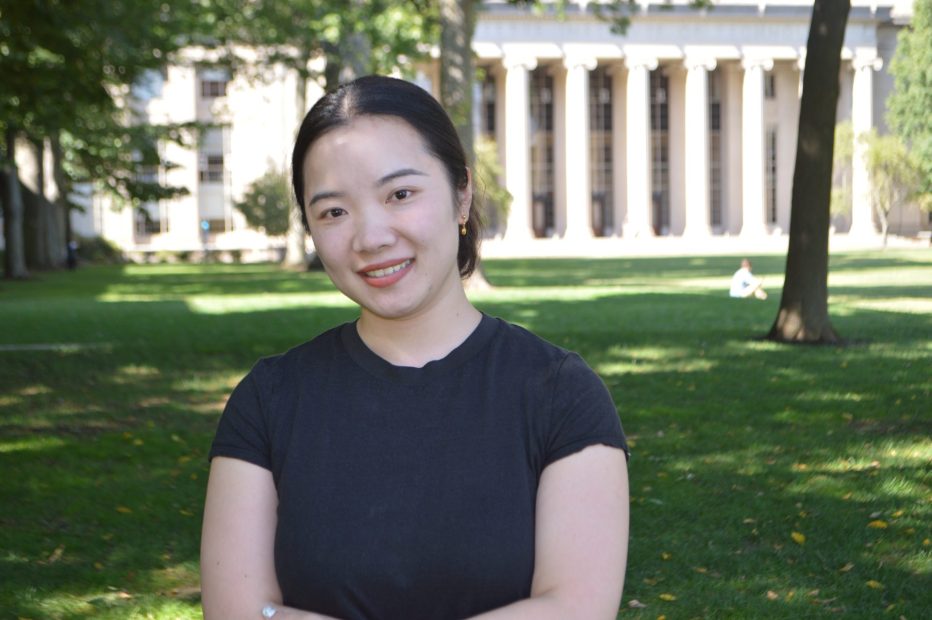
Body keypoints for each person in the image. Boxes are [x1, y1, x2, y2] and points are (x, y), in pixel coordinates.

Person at [201, 75, 630, 620]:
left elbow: (576, 608)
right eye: (334, 211)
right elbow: (236, 611)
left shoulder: (560, 395)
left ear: (462, 194)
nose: (371, 236)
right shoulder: (268, 400)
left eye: (400, 194)